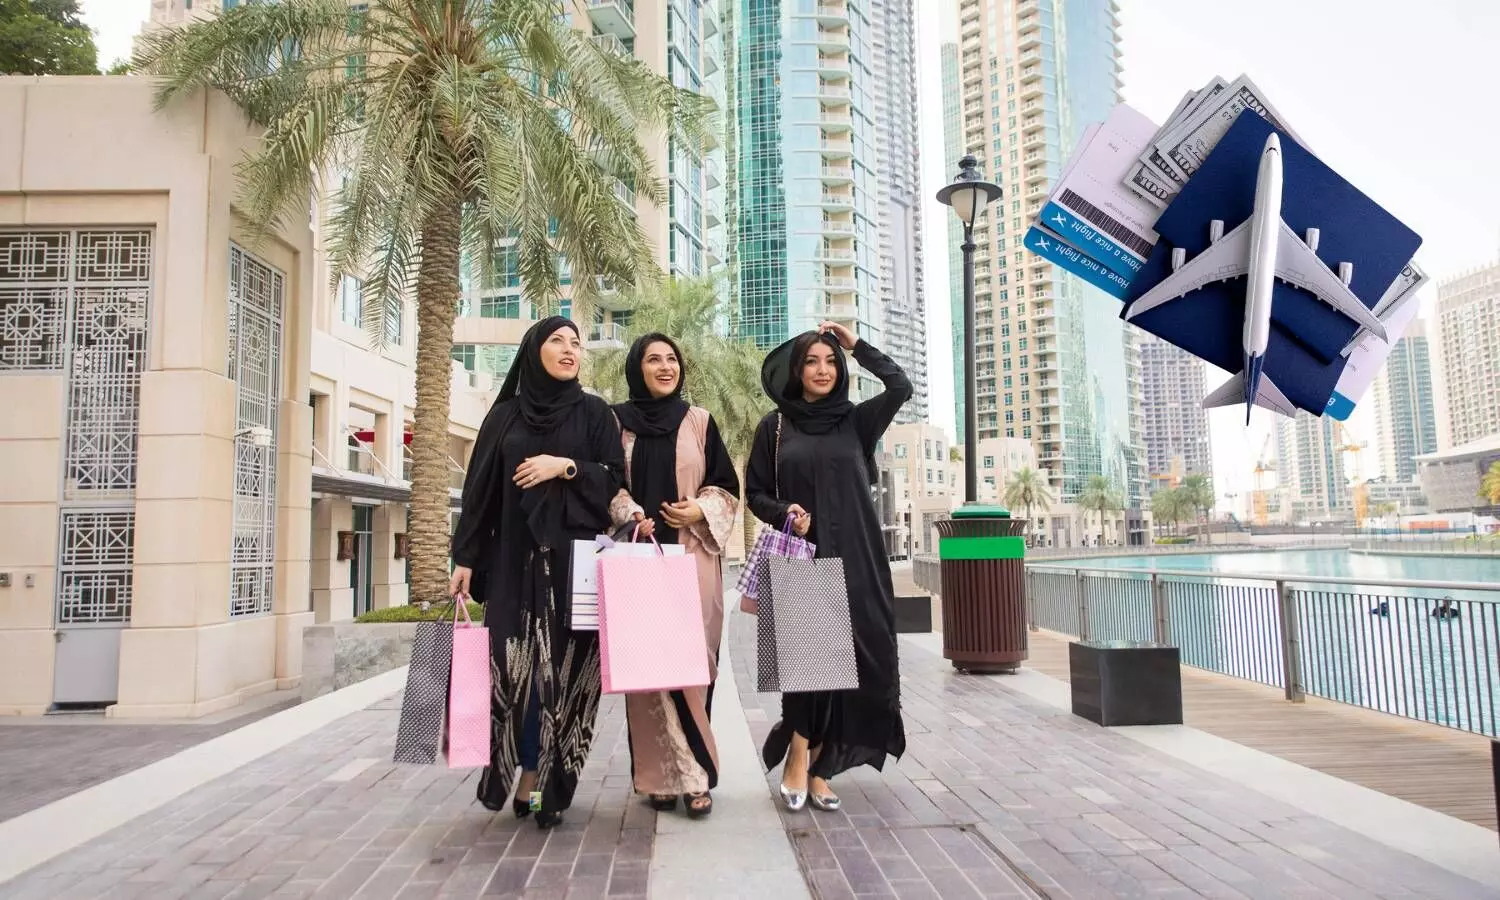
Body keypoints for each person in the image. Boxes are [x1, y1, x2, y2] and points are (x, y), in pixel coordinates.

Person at [449, 316, 625, 830]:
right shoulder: (503, 417)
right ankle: (521, 768)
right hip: (511, 564)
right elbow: (478, 493)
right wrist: (464, 558)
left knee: (566, 678)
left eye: (576, 343)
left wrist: (562, 466)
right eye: (557, 340)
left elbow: (613, 479)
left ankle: (547, 779)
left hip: (574, 567)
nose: (570, 350)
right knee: (513, 671)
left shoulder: (595, 413)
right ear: (533, 351)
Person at [745, 321, 912, 812]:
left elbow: (900, 384)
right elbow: (756, 491)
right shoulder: (774, 427)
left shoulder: (857, 421)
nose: (822, 369)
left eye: (829, 361)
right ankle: (798, 756)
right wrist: (785, 513)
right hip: (804, 553)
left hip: (860, 557)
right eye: (812, 361)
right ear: (796, 372)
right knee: (807, 664)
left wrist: (856, 344)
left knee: (858, 665)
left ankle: (824, 767)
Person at [608, 333, 741, 819]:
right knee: (646, 672)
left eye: (671, 359)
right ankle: (660, 776)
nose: (665, 367)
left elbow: (727, 485)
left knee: (693, 663)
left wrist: (699, 508)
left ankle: (696, 774)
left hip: (692, 556)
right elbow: (607, 483)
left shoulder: (699, 421)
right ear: (636, 367)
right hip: (640, 558)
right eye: (653, 359)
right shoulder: (617, 422)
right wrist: (629, 512)